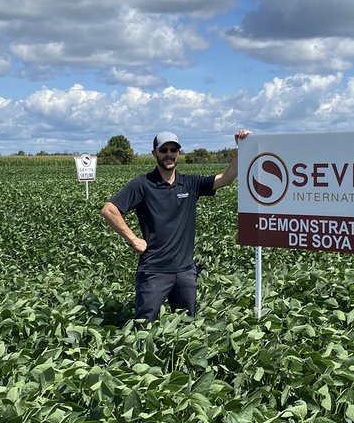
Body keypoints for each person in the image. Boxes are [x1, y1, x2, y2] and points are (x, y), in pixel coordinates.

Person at [101, 129, 252, 321]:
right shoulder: (142, 184)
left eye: (174, 149)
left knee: (186, 328)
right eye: (164, 150)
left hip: (185, 271)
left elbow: (226, 179)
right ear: (154, 154)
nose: (169, 154)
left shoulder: (190, 183)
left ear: (179, 153)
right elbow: (109, 210)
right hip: (154, 270)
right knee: (144, 327)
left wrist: (243, 148)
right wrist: (133, 239)